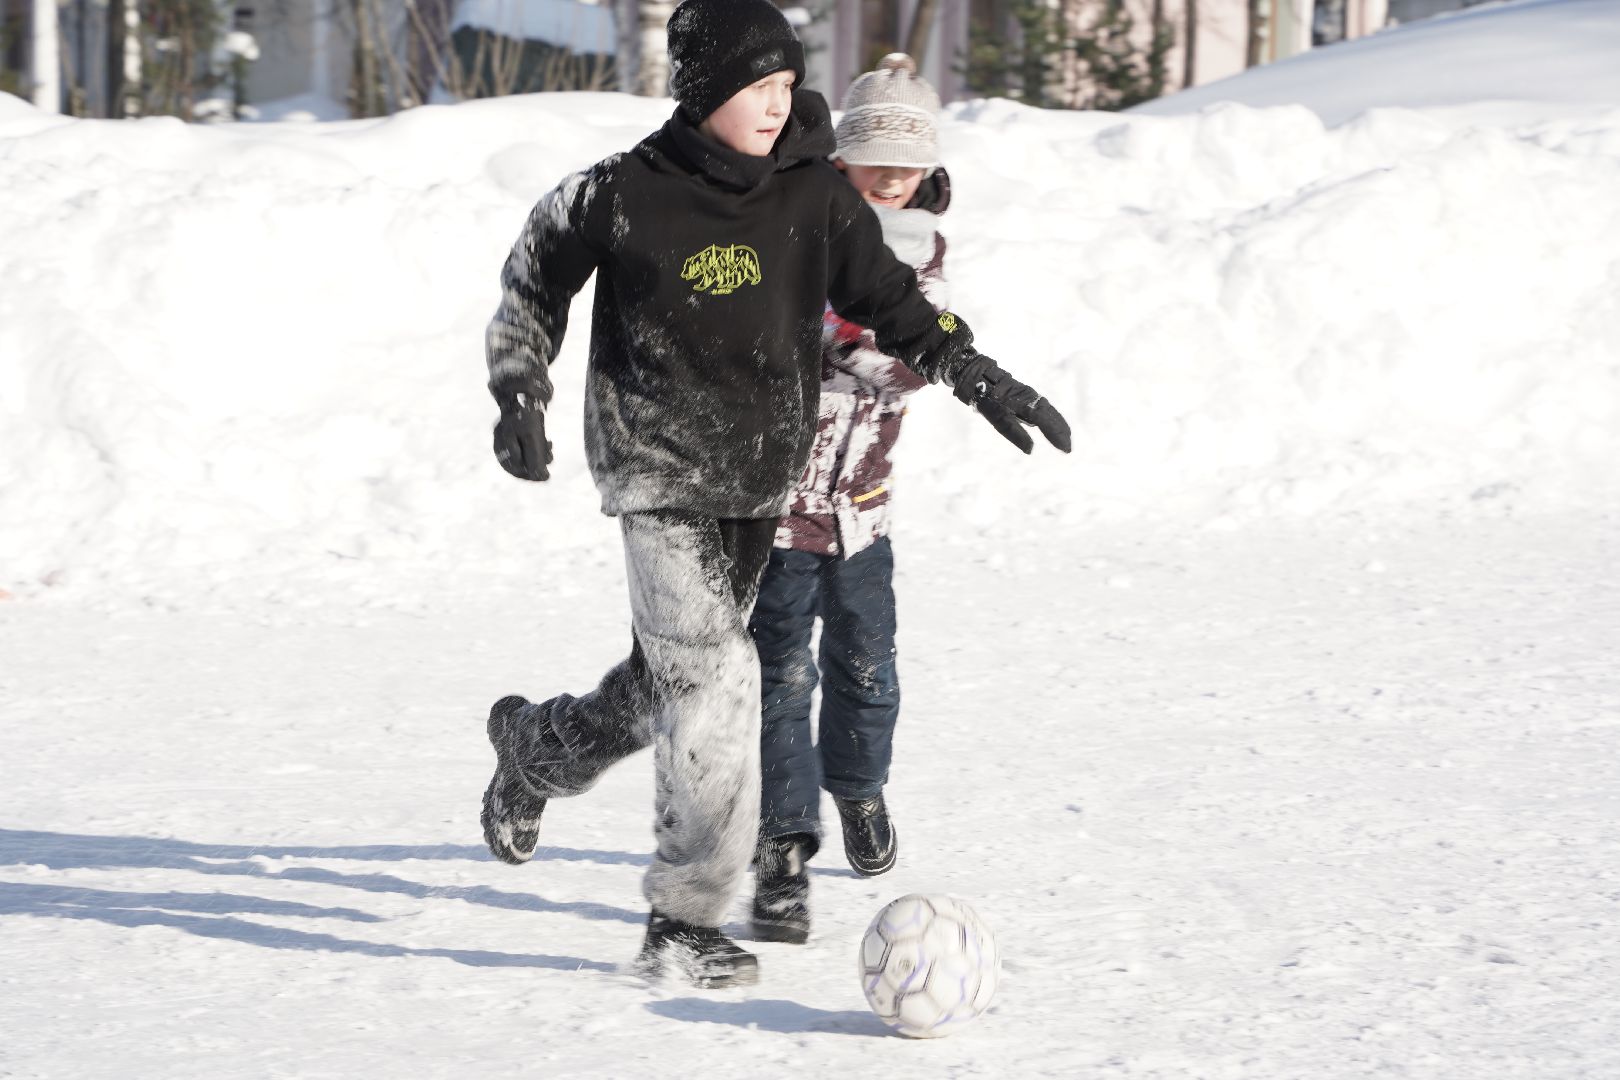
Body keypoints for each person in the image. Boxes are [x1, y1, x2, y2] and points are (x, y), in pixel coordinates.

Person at [479, 0, 1070, 990]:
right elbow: (536, 270)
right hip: (656, 464)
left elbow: (891, 303)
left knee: (667, 687)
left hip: (760, 476)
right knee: (717, 684)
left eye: (787, 85)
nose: (776, 103)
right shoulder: (623, 192)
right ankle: (683, 919)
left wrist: (978, 376)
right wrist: (517, 381)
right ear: (705, 88)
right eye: (756, 85)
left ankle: (536, 753)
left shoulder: (814, 199)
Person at [748, 53, 955, 945]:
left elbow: (923, 347)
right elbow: (782, 338)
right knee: (780, 677)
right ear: (840, 161)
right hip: (778, 507)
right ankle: (783, 845)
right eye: (875, 157)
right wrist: (852, 345)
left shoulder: (926, 248)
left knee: (869, 673)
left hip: (864, 510)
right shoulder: (797, 230)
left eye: (908, 162)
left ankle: (861, 791)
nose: (894, 175)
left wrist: (895, 349)